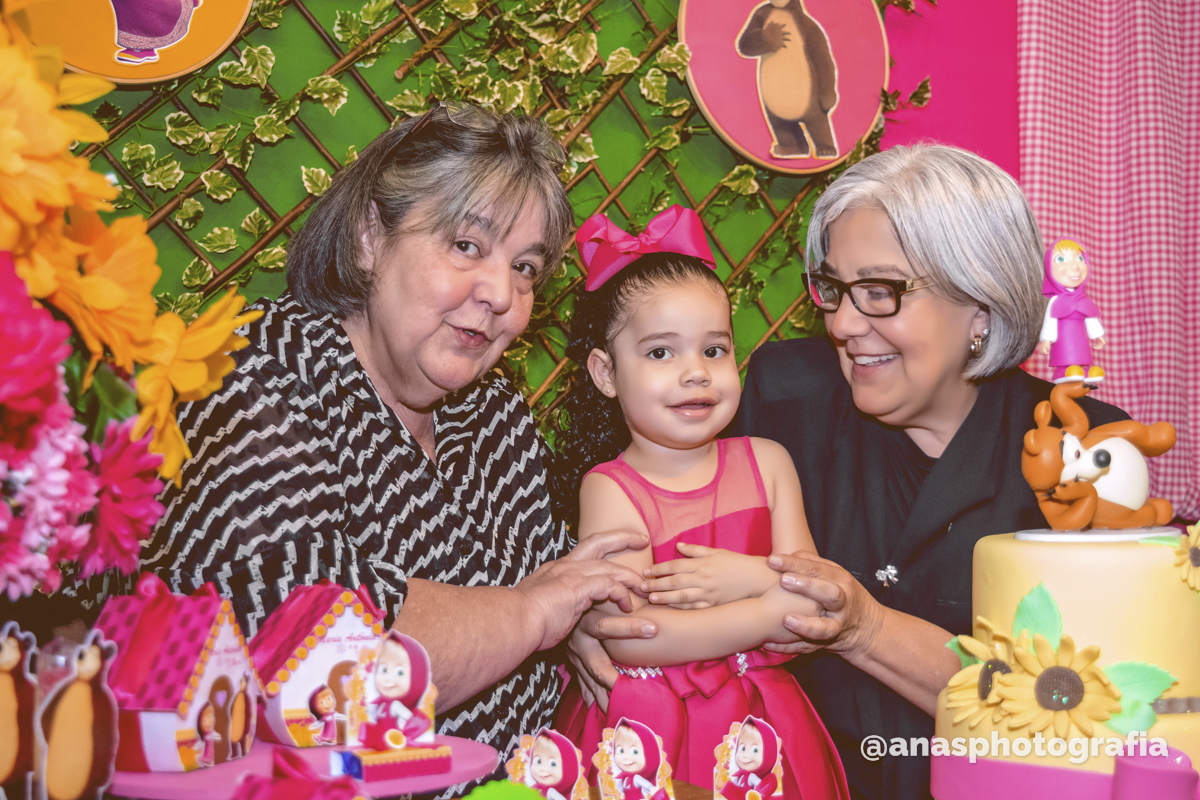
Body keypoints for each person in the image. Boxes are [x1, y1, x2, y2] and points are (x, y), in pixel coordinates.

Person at [72, 104, 647, 771]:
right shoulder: (263, 370)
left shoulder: (493, 412)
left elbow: (562, 584)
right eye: (467, 245)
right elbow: (313, 661)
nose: (501, 294)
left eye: (525, 268)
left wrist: (586, 616)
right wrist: (532, 615)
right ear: (372, 236)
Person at [677, 144, 1124, 799]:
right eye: (833, 288)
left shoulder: (1085, 452)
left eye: (880, 292)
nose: (843, 323)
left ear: (981, 306)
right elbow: (681, 558)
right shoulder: (784, 398)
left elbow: (1090, 717)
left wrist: (866, 627)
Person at [551, 207, 849, 799]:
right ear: (606, 373)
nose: (696, 373)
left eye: (714, 350)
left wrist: (749, 577)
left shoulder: (769, 462)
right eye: (661, 353)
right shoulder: (610, 488)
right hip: (651, 731)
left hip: (764, 726)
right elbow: (632, 634)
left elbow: (815, 592)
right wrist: (766, 611)